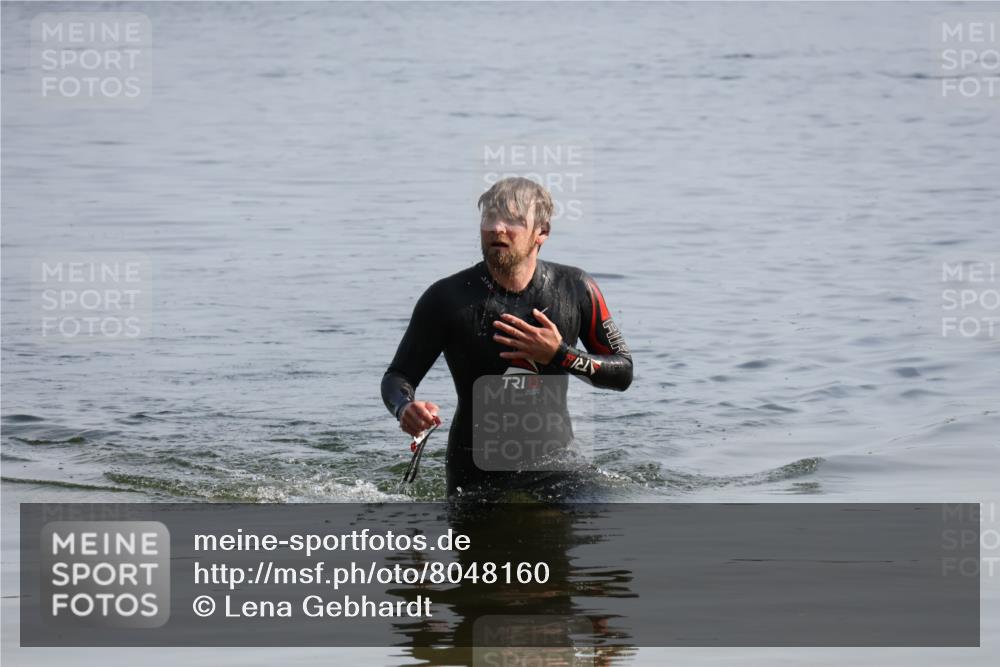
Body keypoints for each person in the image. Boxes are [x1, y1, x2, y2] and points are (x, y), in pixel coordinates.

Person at [381, 177, 633, 496]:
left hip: (559, 470)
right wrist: (406, 408)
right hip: (475, 478)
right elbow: (398, 376)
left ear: (542, 232)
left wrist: (560, 354)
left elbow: (622, 372)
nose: (497, 228)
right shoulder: (446, 298)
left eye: (512, 219)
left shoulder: (576, 289)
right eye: (490, 217)